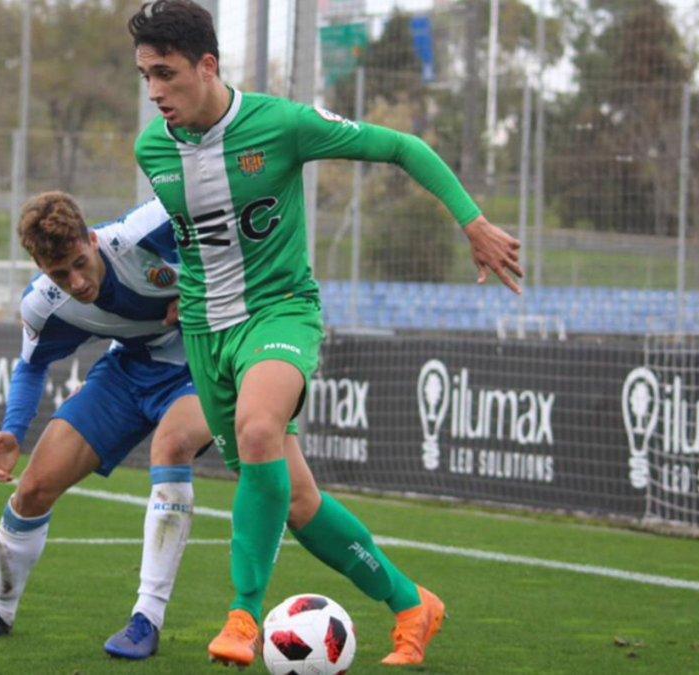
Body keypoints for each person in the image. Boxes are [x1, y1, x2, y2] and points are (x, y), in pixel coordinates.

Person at [129, 0, 523, 667]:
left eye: (165, 73)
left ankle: (243, 617)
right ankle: (410, 603)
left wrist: (472, 222)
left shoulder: (279, 125)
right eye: (145, 76)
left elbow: (400, 147)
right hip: (205, 334)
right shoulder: (153, 148)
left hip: (280, 312)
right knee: (297, 498)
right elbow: (196, 244)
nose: (155, 92)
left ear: (207, 64)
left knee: (258, 430)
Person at [0, 192, 210, 660]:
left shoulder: (148, 226)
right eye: (59, 274)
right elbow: (30, 367)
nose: (77, 282)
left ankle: (146, 618)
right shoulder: (43, 305)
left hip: (204, 363)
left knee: (171, 448)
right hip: (129, 370)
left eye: (80, 263)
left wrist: (203, 291)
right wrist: (12, 431)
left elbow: (230, 228)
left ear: (91, 238)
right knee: (34, 488)